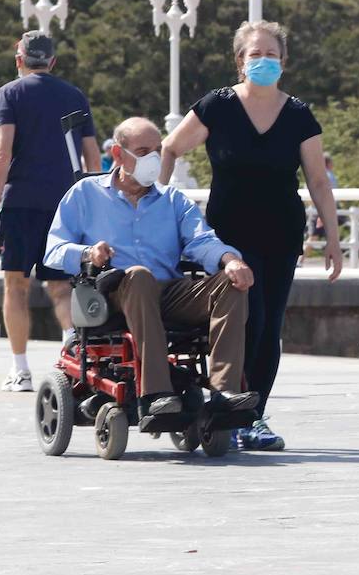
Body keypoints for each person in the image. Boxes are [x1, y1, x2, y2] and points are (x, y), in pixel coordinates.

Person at [160, 20, 343, 452]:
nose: (263, 61)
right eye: (254, 54)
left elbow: (318, 180)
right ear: (240, 62)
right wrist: (162, 210)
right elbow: (169, 148)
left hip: (280, 233)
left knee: (269, 327)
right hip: (228, 237)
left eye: (272, 55)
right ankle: (229, 405)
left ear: (284, 62)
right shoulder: (216, 107)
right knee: (247, 319)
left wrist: (332, 238)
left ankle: (252, 417)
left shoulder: (298, 115)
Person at [43, 118, 258, 417]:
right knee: (139, 276)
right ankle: (157, 392)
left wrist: (230, 260)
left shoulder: (172, 200)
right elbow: (53, 250)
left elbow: (201, 240)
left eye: (157, 150)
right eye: (144, 151)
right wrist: (88, 253)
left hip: (167, 291)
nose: (154, 159)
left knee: (231, 283)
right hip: (113, 292)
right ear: (118, 155)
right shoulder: (85, 194)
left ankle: (225, 390)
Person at [0, 31, 99, 391]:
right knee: (61, 286)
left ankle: (20, 371)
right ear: (52, 62)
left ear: (19, 60)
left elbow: (1, 154)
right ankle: (73, 362)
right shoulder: (74, 95)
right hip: (65, 205)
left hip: (21, 205)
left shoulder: (11, 93)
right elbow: (92, 156)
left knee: (15, 286)